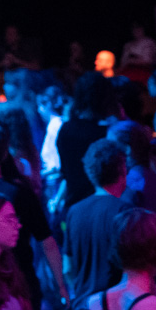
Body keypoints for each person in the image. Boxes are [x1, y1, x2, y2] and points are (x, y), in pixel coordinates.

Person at [0, 121, 68, 310]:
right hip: (21, 285)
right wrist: (61, 285)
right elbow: (47, 241)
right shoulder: (21, 193)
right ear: (5, 153)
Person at [65, 139, 130, 308]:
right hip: (115, 309)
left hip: (83, 307)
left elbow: (68, 268)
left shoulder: (74, 211)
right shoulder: (124, 212)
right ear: (122, 169)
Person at [58, 73, 118, 212]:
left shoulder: (65, 130)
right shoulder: (105, 134)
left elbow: (65, 173)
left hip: (74, 206)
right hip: (101, 208)